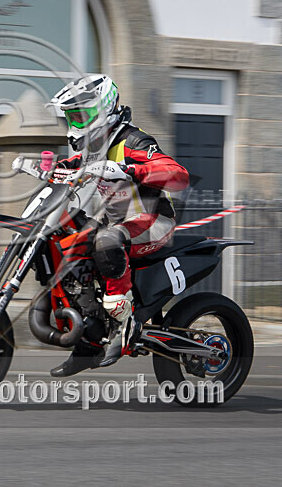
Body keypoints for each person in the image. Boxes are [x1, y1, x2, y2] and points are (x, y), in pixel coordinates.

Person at [47, 74, 189, 377]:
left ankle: (124, 318)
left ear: (103, 109)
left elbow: (178, 175)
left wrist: (129, 168)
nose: (75, 123)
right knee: (68, 236)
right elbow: (74, 168)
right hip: (118, 222)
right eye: (71, 117)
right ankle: (89, 340)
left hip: (153, 222)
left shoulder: (132, 141)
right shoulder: (94, 147)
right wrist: (48, 169)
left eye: (81, 115)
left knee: (107, 240)